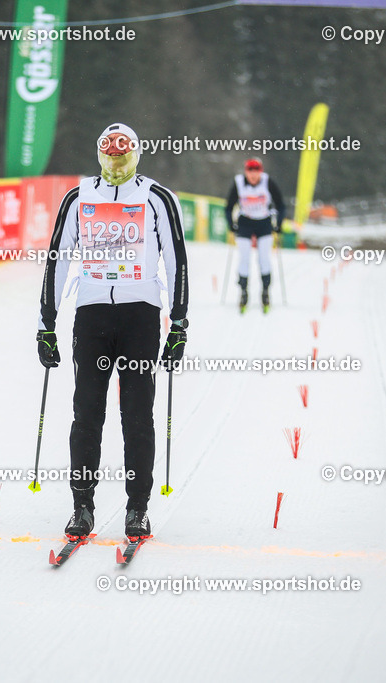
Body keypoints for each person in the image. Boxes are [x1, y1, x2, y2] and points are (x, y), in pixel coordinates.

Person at [37, 123, 190, 539]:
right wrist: (45, 326)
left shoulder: (157, 197)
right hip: (92, 317)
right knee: (87, 413)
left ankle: (137, 508)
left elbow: (177, 261)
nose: (116, 165)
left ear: (136, 155)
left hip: (140, 316)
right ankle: (81, 506)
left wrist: (179, 324)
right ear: (99, 155)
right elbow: (58, 260)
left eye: (123, 157)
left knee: (137, 415)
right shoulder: (78, 197)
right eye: (109, 157)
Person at [225, 158, 286, 312]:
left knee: (264, 258)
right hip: (245, 222)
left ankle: (265, 291)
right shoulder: (239, 183)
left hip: (263, 222)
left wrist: (278, 223)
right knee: (244, 257)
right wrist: (231, 224)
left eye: (256, 172)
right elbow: (228, 206)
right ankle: (243, 291)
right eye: (250, 172)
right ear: (246, 172)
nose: (253, 176)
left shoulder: (267, 182)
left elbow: (281, 205)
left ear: (261, 172)